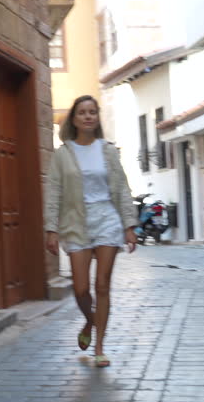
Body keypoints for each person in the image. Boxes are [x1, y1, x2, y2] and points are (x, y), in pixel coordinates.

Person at [44, 95, 138, 368]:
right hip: (75, 222)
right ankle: (89, 319)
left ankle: (99, 347)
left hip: (107, 218)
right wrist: (51, 228)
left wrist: (129, 226)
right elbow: (54, 193)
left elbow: (122, 188)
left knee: (103, 285)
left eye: (92, 112)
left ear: (97, 118)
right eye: (82, 112)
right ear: (73, 119)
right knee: (82, 288)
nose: (88, 116)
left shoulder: (108, 151)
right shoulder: (63, 154)